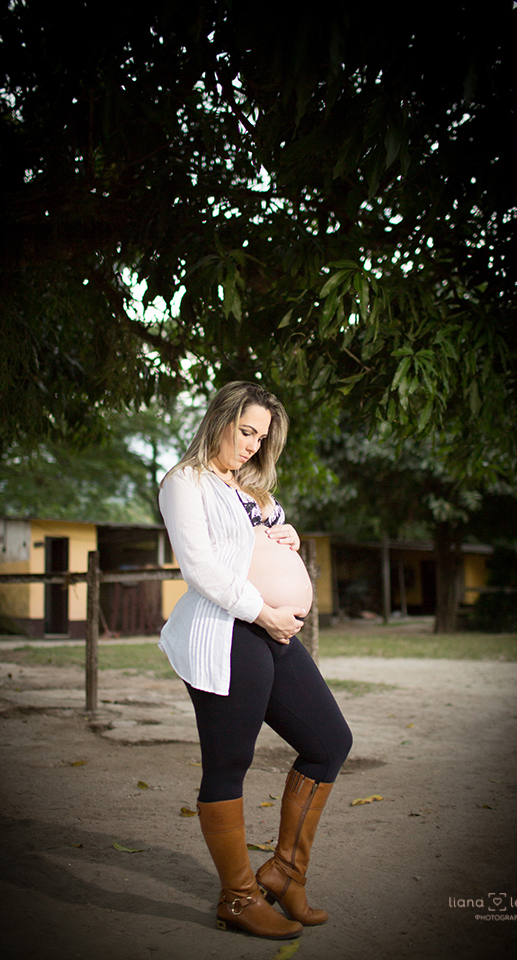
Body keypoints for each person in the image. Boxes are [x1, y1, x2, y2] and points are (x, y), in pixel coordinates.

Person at [158, 381, 352, 940]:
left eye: (261, 437)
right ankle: (239, 899)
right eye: (245, 431)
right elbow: (200, 568)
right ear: (219, 418)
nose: (251, 445)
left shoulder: (250, 489)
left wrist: (282, 536)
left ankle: (285, 872)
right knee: (229, 760)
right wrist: (263, 610)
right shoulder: (184, 482)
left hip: (272, 632)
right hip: (227, 630)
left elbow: (258, 546)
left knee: (328, 742)